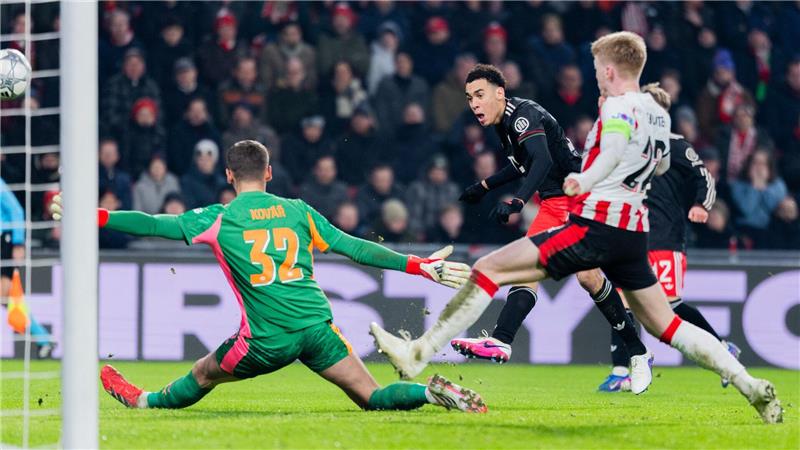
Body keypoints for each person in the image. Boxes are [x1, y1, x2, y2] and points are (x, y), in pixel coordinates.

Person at [370, 32, 782, 424]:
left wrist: (585, 180)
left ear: (610, 70)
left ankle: (419, 355)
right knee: (668, 325)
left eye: (598, 66)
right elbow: (657, 165)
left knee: (489, 268)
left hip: (595, 226)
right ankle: (749, 383)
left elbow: (613, 149)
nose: (596, 73)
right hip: (633, 233)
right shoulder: (657, 115)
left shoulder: (616, 108)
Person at [50, 140, 485, 414]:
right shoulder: (298, 210)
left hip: (266, 340)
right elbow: (355, 247)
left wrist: (94, 215)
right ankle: (429, 392)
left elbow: (152, 222)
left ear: (229, 177)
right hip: (317, 327)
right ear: (269, 173)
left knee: (203, 373)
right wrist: (418, 264)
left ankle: (141, 401)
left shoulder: (219, 217)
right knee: (372, 397)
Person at [436, 64, 650, 394]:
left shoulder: (523, 115)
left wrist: (519, 202)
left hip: (580, 198)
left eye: (480, 95)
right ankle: (501, 341)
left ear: (499, 93)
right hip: (554, 204)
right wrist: (484, 185)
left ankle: (637, 353)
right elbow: (521, 165)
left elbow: (544, 162)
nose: (474, 104)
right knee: (529, 271)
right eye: (468, 98)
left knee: (588, 277)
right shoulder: (503, 124)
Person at [596, 84, 740, 392]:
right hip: (631, 234)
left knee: (669, 306)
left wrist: (702, 204)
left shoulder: (676, 145)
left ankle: (721, 348)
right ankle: (622, 369)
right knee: (620, 300)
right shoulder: (629, 144)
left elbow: (704, 177)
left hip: (665, 239)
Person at [0, 178, 54, 358]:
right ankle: (43, 338)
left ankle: (43, 338)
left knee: (5, 294)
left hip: (4, 240)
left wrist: (17, 243)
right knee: (7, 298)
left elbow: (16, 210)